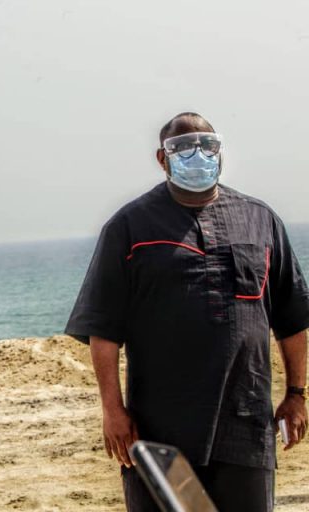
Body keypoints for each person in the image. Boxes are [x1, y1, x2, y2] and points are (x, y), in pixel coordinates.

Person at [66, 112, 309, 512]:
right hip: (160, 432)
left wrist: (296, 395)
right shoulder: (129, 227)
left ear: (221, 152)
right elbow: (102, 329)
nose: (198, 154)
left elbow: (292, 317)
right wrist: (112, 410)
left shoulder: (260, 220)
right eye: (182, 147)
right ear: (162, 158)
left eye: (208, 145)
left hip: (245, 426)